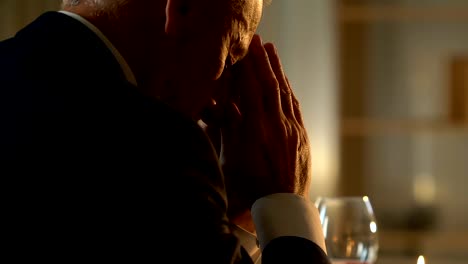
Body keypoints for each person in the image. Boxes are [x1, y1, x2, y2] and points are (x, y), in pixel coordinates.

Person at [0, 0, 330, 263]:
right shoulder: (159, 145)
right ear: (181, 9)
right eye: (230, 55)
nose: (219, 99)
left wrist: (224, 220)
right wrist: (285, 201)